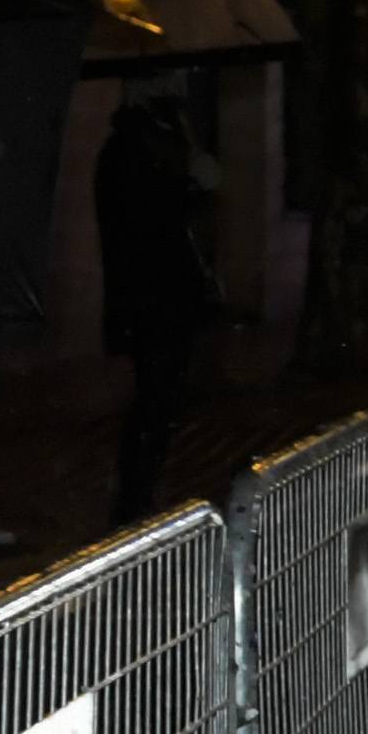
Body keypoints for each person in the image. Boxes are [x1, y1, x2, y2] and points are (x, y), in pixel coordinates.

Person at [98, 75, 226, 530]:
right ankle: (133, 497)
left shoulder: (153, 144)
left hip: (161, 294)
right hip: (150, 296)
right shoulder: (132, 150)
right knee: (154, 398)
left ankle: (139, 492)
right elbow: (147, 220)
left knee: (162, 398)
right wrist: (188, 182)